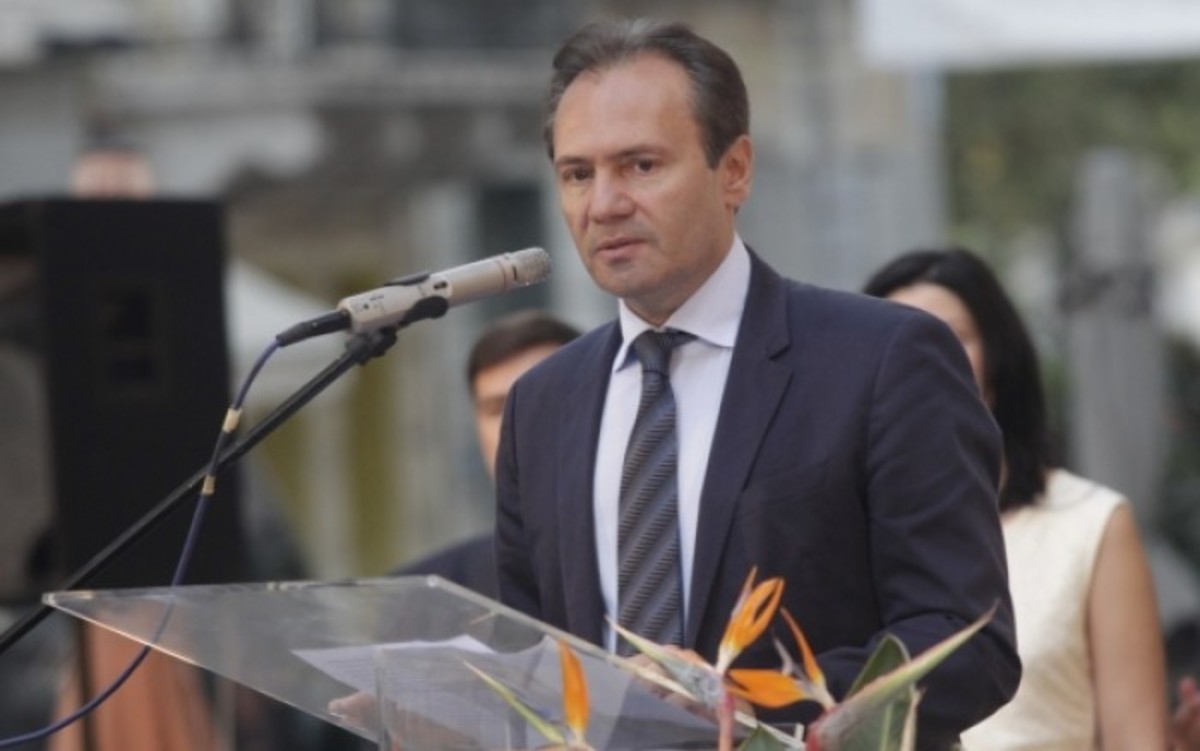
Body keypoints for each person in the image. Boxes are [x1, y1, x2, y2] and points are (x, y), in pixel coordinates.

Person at [493, 19, 1019, 749]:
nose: (604, 203)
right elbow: (538, 667)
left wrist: (740, 706)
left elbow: (968, 644)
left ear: (734, 169)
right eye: (578, 174)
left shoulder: (883, 359)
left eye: (640, 165)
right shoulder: (541, 404)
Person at [862, 247, 1169, 750]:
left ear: (1000, 356)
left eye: (949, 337)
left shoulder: (1092, 523)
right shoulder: (840, 529)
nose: (919, 359)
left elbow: (1136, 739)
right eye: (894, 340)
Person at [397, 309, 580, 597]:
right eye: (497, 409)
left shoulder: (648, 564)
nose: (516, 425)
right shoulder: (428, 593)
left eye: (541, 399)